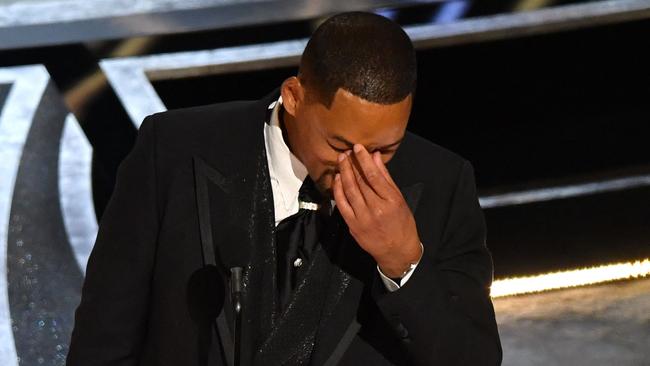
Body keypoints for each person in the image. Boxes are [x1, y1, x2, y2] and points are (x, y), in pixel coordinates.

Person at [67, 11, 502, 366]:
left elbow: (474, 359)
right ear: (294, 96)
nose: (363, 167)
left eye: (386, 149)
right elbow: (103, 341)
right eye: (339, 145)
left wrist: (403, 263)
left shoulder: (443, 182)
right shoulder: (174, 151)